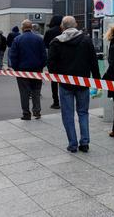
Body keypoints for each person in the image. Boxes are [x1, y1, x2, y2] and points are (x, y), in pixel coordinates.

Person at [47, 16, 100, 153]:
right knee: (83, 112)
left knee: (67, 114)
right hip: (83, 83)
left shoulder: (56, 42)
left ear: (62, 27)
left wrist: (59, 77)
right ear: (76, 25)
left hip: (65, 84)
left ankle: (72, 144)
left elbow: (51, 66)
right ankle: (85, 142)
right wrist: (97, 80)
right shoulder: (86, 40)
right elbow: (93, 62)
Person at [10, 20, 47, 120]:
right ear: (31, 27)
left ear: (22, 28)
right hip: (37, 70)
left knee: (24, 92)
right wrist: (41, 66)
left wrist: (16, 68)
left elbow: (13, 56)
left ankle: (26, 113)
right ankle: (37, 111)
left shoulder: (17, 39)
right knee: (36, 91)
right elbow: (44, 55)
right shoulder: (39, 39)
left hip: (22, 70)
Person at [44, 15, 63, 109]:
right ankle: (65, 100)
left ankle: (56, 102)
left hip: (53, 60)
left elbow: (45, 45)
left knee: (54, 82)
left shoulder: (49, 32)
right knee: (65, 81)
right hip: (64, 59)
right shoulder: (63, 31)